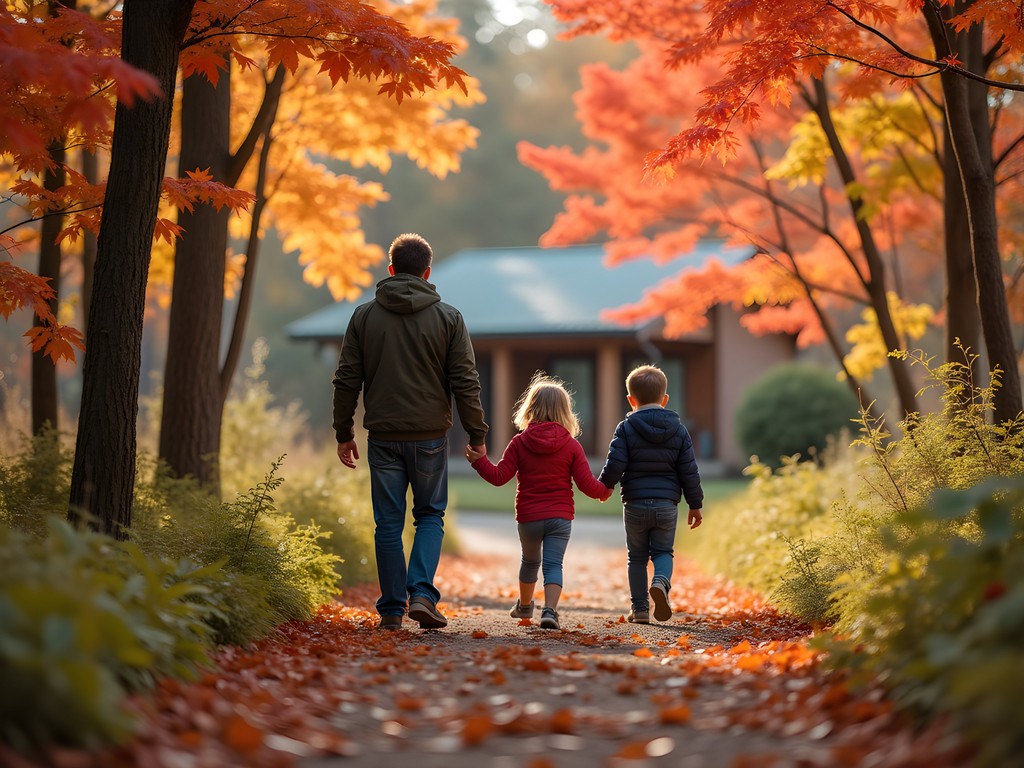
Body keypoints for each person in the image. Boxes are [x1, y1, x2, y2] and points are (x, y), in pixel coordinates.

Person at [333, 233, 488, 631]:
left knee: (387, 522)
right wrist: (477, 434)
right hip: (430, 436)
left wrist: (343, 431)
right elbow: (465, 381)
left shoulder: (364, 317)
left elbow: (347, 378)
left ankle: (390, 611)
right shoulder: (449, 317)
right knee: (430, 515)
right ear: (427, 272)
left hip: (382, 435)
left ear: (390, 270)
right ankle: (421, 594)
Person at [465, 373, 611, 631]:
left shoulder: (519, 443)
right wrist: (604, 491)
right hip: (560, 517)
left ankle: (524, 606)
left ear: (530, 408)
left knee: (530, 561)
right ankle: (550, 611)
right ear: (565, 411)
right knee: (554, 564)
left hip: (529, 517)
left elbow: (499, 477)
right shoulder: (571, 446)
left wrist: (479, 462)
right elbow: (587, 484)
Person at [598, 364, 703, 624]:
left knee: (636, 557)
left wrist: (605, 486)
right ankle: (661, 581)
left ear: (631, 400)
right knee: (663, 552)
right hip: (667, 504)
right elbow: (689, 470)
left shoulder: (625, 428)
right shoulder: (679, 430)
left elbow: (615, 464)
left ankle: (641, 609)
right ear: (665, 399)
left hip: (635, 504)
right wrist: (695, 504)